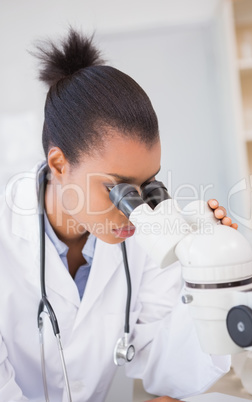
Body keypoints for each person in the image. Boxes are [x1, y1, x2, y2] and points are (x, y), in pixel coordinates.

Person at [0, 28, 235, 402]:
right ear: (59, 165)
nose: (137, 209)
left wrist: (210, 279)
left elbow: (167, 368)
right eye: (118, 189)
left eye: (149, 185)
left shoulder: (143, 238)